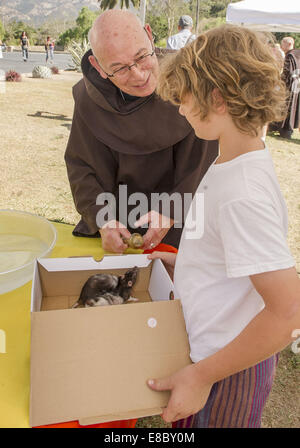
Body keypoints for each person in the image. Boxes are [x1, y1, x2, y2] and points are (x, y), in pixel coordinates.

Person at [146, 25, 300, 428]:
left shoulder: (241, 193)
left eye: (184, 97)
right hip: (212, 357)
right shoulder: (231, 161)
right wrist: (187, 266)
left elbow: (289, 312)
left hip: (227, 371)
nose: (179, 107)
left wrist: (200, 376)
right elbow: (235, 262)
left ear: (217, 98)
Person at [64, 10, 218, 253]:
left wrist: (170, 213)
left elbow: (204, 163)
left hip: (185, 220)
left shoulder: (191, 80)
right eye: (120, 69)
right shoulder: (88, 98)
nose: (138, 75)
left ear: (149, 34)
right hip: (119, 224)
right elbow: (82, 167)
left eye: (142, 56)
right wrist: (103, 220)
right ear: (98, 66)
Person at [278, 37, 300, 139]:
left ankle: (286, 130)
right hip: (297, 85)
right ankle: (288, 129)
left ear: (288, 44)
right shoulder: (298, 54)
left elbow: (287, 72)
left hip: (290, 86)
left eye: (282, 44)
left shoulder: (290, 56)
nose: (281, 47)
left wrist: (279, 82)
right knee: (294, 106)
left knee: (286, 106)